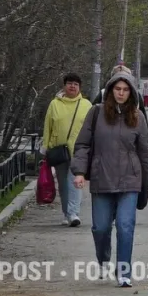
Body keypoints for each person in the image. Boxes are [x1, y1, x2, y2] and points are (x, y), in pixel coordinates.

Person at [71, 69, 148, 288]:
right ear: (110, 91)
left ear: (131, 93)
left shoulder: (137, 118)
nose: (121, 93)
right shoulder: (96, 112)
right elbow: (82, 144)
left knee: (125, 225)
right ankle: (103, 258)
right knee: (100, 227)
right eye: (118, 89)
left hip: (130, 179)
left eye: (126, 90)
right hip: (102, 177)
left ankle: (124, 272)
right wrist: (80, 172)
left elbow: (145, 152)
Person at [42, 73, 92, 227]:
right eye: (69, 83)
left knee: (74, 181)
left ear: (80, 88)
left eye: (76, 84)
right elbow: (48, 126)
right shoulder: (54, 104)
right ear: (64, 86)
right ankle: (67, 213)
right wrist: (46, 147)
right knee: (63, 183)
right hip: (59, 150)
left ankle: (73, 213)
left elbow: (92, 128)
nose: (72, 86)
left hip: (79, 151)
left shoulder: (86, 105)